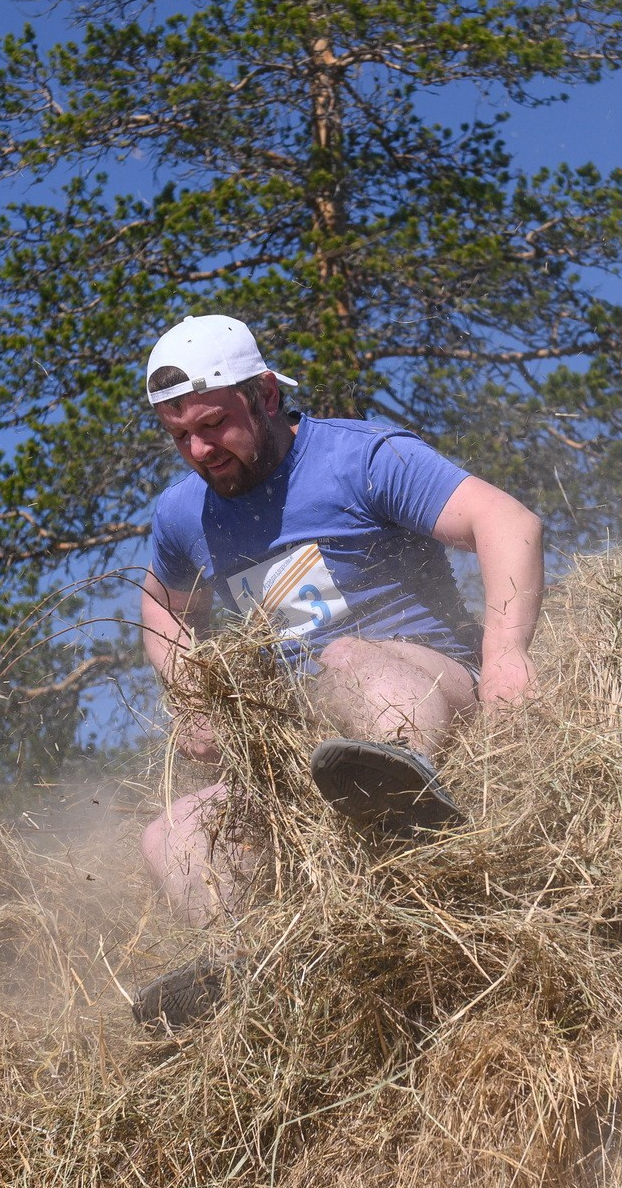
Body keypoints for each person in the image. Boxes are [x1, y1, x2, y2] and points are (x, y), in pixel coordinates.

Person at [131, 314, 543, 1017]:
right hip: (300, 745)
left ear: (264, 394)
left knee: (347, 659)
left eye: (213, 424)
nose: (200, 450)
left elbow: (506, 521)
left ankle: (408, 811)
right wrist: (190, 695)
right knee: (170, 832)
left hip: (427, 684)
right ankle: (248, 972)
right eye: (179, 437)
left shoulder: (360, 456)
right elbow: (162, 608)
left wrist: (505, 656)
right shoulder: (184, 517)